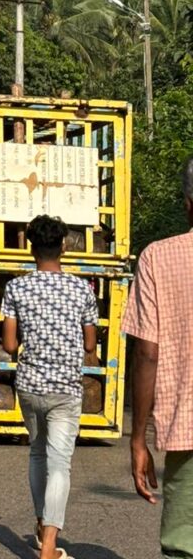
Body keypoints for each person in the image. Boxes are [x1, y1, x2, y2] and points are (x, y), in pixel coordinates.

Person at [1, 214, 98, 559]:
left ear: (31, 249)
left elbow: (10, 346)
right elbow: (90, 344)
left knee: (37, 452)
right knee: (60, 464)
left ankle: (43, 523)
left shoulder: (16, 288)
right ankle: (49, 549)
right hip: (65, 389)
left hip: (29, 386)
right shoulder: (80, 289)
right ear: (63, 247)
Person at [122, 156, 193, 557]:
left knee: (185, 545)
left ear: (187, 202)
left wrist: (138, 438)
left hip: (189, 428)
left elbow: (147, 352)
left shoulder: (158, 258)